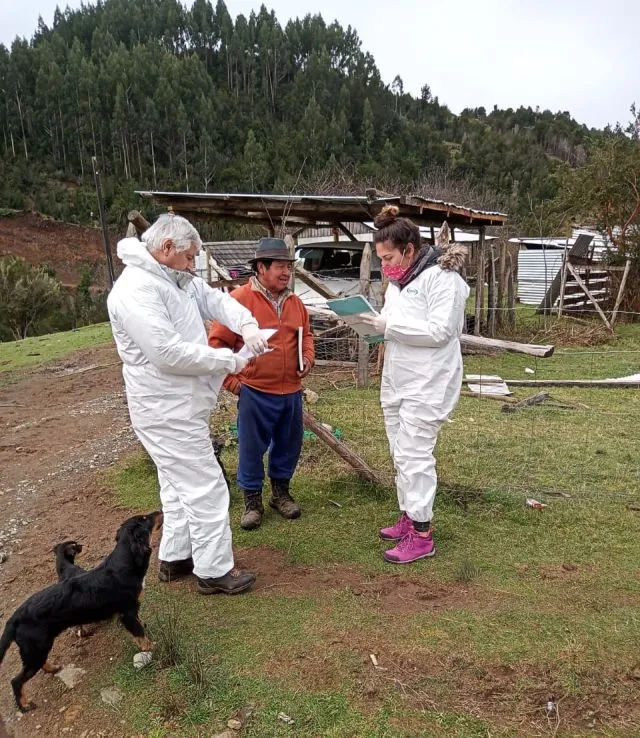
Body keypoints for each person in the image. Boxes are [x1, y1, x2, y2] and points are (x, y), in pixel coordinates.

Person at [107, 213, 270, 595]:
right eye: (189, 256)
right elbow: (167, 354)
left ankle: (176, 556)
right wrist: (231, 361)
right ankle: (214, 570)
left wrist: (246, 325)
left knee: (177, 484)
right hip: (165, 408)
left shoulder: (173, 278)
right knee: (206, 487)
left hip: (182, 404)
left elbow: (214, 299)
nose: (193, 263)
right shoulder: (135, 290)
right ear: (166, 249)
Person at [360, 205, 470, 564]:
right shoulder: (399, 283)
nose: (384, 265)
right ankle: (408, 515)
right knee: (399, 452)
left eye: (388, 256)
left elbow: (442, 332)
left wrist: (386, 328)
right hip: (398, 377)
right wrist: (371, 325)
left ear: (409, 249)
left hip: (429, 382)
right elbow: (392, 324)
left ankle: (422, 533)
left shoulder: (444, 280)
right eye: (380, 258)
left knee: (416, 455)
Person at [208, 237, 314, 530]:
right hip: (254, 390)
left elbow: (306, 336)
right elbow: (217, 344)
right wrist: (233, 382)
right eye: (279, 266)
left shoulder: (295, 302)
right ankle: (252, 502)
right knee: (251, 448)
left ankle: (280, 494)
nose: (286, 273)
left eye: (288, 268)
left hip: (291, 390)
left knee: (289, 444)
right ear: (261, 268)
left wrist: (307, 357)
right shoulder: (239, 301)